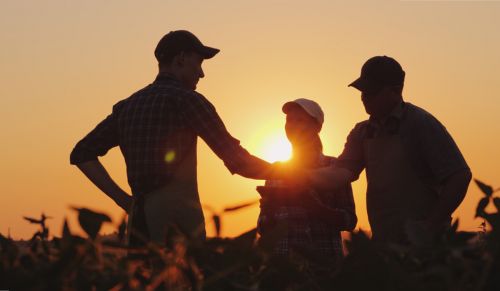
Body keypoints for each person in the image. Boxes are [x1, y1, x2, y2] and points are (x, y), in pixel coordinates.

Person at [70, 30, 271, 246]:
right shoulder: (187, 101)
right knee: (183, 279)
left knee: (141, 279)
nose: (201, 73)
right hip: (179, 227)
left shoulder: (127, 107)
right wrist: (291, 174)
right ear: (181, 59)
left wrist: (125, 202)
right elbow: (238, 161)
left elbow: (82, 153)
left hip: (138, 226)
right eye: (199, 63)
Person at [305, 56, 471, 244]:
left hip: (426, 250)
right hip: (385, 247)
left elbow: (460, 176)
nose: (364, 97)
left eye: (372, 91)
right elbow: (340, 173)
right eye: (362, 91)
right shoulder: (363, 132)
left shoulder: (420, 124)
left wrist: (429, 226)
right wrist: (295, 175)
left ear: (396, 90)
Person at [257, 98, 357, 263]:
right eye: (289, 120)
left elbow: (349, 220)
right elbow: (263, 228)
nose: (292, 125)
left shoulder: (335, 168)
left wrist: (314, 207)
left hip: (324, 267)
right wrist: (268, 209)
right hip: (284, 269)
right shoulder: (275, 171)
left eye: (300, 120)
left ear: (316, 127)